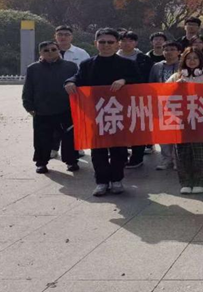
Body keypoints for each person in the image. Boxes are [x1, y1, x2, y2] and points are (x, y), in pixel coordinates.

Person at [65, 28, 141, 196]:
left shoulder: (127, 64)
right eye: (102, 42)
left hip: (119, 113)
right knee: (98, 149)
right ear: (96, 43)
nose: (106, 45)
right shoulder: (87, 64)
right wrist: (70, 82)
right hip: (96, 113)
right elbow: (78, 77)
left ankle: (117, 180)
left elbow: (138, 81)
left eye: (110, 42)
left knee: (118, 149)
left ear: (117, 44)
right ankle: (101, 181)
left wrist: (124, 80)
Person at [22, 41, 79, 174]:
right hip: (42, 110)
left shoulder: (70, 66)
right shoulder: (33, 68)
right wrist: (28, 105)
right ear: (40, 53)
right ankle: (41, 163)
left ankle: (71, 161)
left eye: (53, 49)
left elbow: (79, 84)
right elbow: (28, 88)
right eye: (46, 50)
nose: (50, 52)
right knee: (42, 138)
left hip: (66, 109)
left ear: (59, 50)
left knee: (69, 138)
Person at [166, 47, 203, 194]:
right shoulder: (176, 77)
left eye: (195, 58)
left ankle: (201, 182)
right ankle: (186, 182)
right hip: (182, 120)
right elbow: (164, 94)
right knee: (182, 152)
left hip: (202, 119)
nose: (192, 61)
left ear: (201, 60)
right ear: (184, 60)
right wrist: (176, 87)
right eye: (189, 58)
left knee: (201, 153)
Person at [52, 25, 90, 159]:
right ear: (55, 36)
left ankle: (77, 147)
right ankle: (54, 147)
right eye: (60, 34)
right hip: (54, 94)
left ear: (71, 37)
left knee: (75, 123)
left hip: (75, 94)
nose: (63, 37)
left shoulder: (81, 53)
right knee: (55, 123)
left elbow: (87, 73)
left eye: (66, 34)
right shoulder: (49, 51)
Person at [118, 31, 155, 169]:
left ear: (136, 43)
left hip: (139, 98)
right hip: (117, 99)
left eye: (130, 40)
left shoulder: (144, 59)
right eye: (123, 40)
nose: (127, 43)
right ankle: (121, 156)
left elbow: (149, 78)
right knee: (120, 127)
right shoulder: (113, 58)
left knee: (138, 128)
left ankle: (137, 157)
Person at [150, 41, 183, 171]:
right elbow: (151, 83)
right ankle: (166, 158)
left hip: (178, 103)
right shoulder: (156, 66)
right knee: (163, 132)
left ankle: (177, 159)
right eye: (166, 50)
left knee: (177, 132)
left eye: (172, 49)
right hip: (160, 103)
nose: (169, 52)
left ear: (179, 52)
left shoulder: (183, 65)